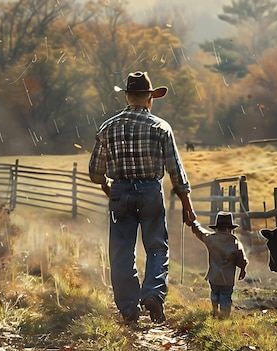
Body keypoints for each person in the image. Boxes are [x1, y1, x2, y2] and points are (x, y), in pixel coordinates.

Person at [88, 71, 197, 324]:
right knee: (157, 246)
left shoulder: (108, 128)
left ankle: (128, 308)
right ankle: (153, 295)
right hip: (150, 191)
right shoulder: (160, 127)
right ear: (150, 98)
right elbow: (175, 170)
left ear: (127, 97)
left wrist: (108, 187)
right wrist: (187, 204)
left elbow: (95, 172)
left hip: (120, 192)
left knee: (121, 251)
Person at [191, 212, 248, 319]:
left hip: (214, 276)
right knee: (225, 296)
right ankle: (224, 317)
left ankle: (215, 312)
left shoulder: (210, 238)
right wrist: (243, 269)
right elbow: (242, 260)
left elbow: (200, 232)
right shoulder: (235, 242)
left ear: (217, 228)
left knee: (214, 294)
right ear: (229, 228)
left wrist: (194, 223)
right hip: (227, 279)